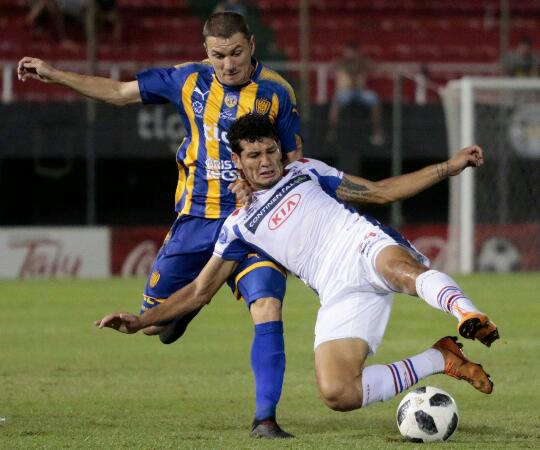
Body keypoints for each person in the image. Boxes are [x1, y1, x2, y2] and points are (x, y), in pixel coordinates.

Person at [96, 113, 499, 422]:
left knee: (402, 273)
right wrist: (141, 320)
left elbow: (380, 192)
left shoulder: (306, 170)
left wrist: (448, 167)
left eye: (271, 151)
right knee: (338, 393)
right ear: (237, 161)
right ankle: (440, 358)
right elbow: (199, 291)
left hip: (362, 245)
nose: (266, 162)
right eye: (254, 155)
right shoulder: (237, 226)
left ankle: (467, 313)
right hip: (337, 290)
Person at [18, 12, 302, 439]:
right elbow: (118, 92)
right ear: (206, 53)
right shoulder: (187, 80)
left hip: (252, 223)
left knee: (267, 306)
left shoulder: (277, 92)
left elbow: (294, 160)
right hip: (196, 222)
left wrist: (264, 191)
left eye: (236, 53)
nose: (228, 64)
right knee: (154, 325)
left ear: (252, 46)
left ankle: (265, 420)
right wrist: (55, 74)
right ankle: (186, 308)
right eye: (219, 55)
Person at [327, 43, 385, 146]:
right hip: (345, 93)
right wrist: (342, 63)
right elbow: (331, 67)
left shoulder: (362, 62)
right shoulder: (341, 62)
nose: (351, 54)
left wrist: (361, 60)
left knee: (374, 98)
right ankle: (332, 130)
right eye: (349, 52)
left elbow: (374, 67)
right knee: (337, 100)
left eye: (353, 52)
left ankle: (376, 131)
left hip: (360, 92)